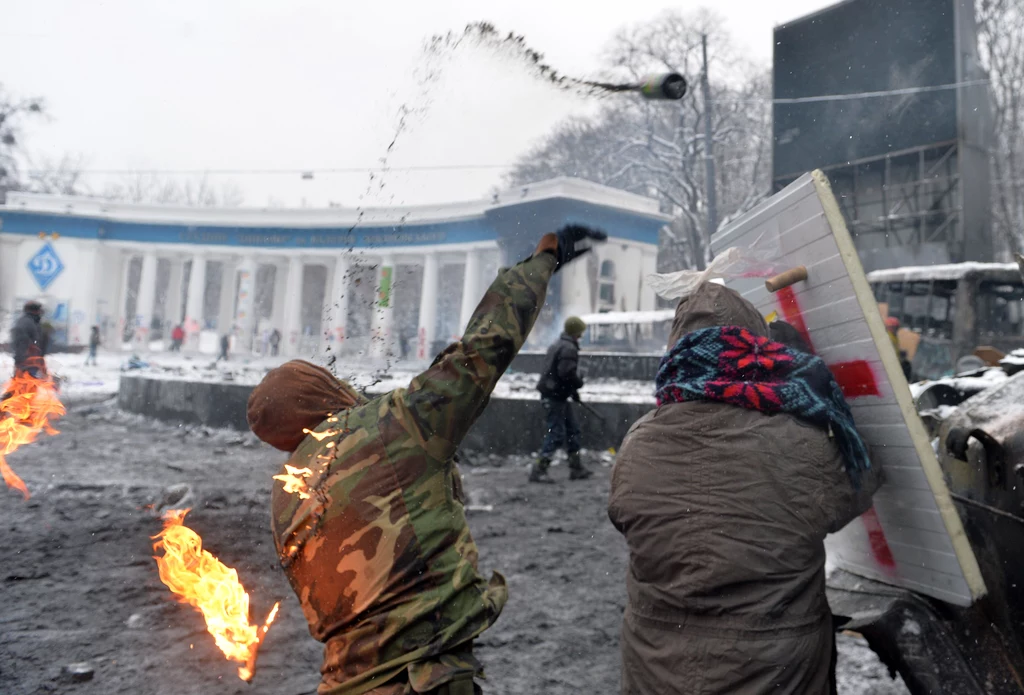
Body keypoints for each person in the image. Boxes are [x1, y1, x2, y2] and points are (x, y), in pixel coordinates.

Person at [246, 224, 606, 695]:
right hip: (421, 680)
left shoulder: (284, 495)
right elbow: (482, 348)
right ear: (322, 390)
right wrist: (541, 263)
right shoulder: (389, 427)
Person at [608, 282, 883, 695]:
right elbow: (864, 475)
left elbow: (625, 516)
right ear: (755, 351)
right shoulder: (798, 441)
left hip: (656, 664)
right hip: (773, 669)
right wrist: (806, 385)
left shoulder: (637, 441)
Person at [530, 316, 592, 483]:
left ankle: (576, 468)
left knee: (573, 430)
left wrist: (571, 391)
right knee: (557, 434)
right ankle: (539, 470)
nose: (582, 335)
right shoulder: (569, 348)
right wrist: (577, 384)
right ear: (576, 332)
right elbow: (566, 374)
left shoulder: (558, 344)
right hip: (555, 396)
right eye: (581, 332)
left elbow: (556, 374)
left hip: (556, 394)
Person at [9, 301, 46, 378]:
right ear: (35, 311)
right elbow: (23, 343)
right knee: (26, 382)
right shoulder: (27, 323)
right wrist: (24, 358)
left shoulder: (30, 322)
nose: (40, 312)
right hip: (28, 361)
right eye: (39, 310)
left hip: (30, 360)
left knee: (28, 383)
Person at [884, 316, 912, 380]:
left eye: (896, 327)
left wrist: (900, 352)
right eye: (894, 327)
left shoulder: (893, 336)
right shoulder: (889, 337)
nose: (896, 329)